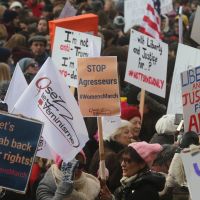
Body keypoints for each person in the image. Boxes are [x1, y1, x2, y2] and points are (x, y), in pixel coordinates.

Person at [100, 141, 165, 200]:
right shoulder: (131, 184)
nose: (122, 164)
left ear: (141, 164)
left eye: (128, 161)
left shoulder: (145, 191)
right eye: (122, 160)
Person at [89, 119, 133, 192]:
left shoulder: (104, 150)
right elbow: (114, 186)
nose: (131, 135)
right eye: (126, 132)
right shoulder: (112, 156)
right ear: (115, 136)